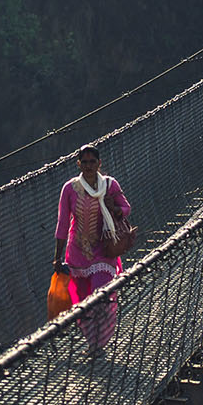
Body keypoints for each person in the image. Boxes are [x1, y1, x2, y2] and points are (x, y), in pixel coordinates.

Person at [54, 144, 133, 351]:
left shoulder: (109, 185)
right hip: (77, 253)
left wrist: (114, 208)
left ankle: (102, 339)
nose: (88, 166)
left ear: (100, 163)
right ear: (78, 164)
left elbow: (126, 208)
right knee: (82, 303)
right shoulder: (70, 189)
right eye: (84, 162)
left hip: (103, 250)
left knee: (102, 294)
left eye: (92, 162)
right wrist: (57, 257)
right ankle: (93, 343)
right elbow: (63, 223)